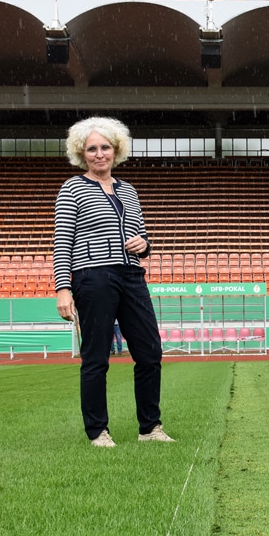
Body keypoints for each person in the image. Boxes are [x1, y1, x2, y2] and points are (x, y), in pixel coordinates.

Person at [54, 116, 174, 447]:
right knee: (96, 357)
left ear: (116, 149)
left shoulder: (129, 190)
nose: (99, 154)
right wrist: (63, 288)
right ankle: (97, 431)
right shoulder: (72, 187)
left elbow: (141, 235)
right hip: (92, 277)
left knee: (150, 351)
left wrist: (144, 245)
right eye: (91, 149)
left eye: (105, 147)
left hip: (132, 275)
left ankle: (150, 428)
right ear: (81, 153)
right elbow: (63, 240)